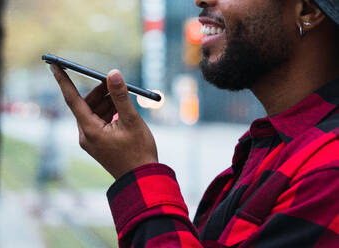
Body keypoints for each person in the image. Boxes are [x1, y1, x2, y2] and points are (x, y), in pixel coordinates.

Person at [50, 0, 339, 246]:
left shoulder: (329, 172)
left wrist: (137, 172)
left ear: (307, 11)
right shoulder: (272, 148)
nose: (200, 0)